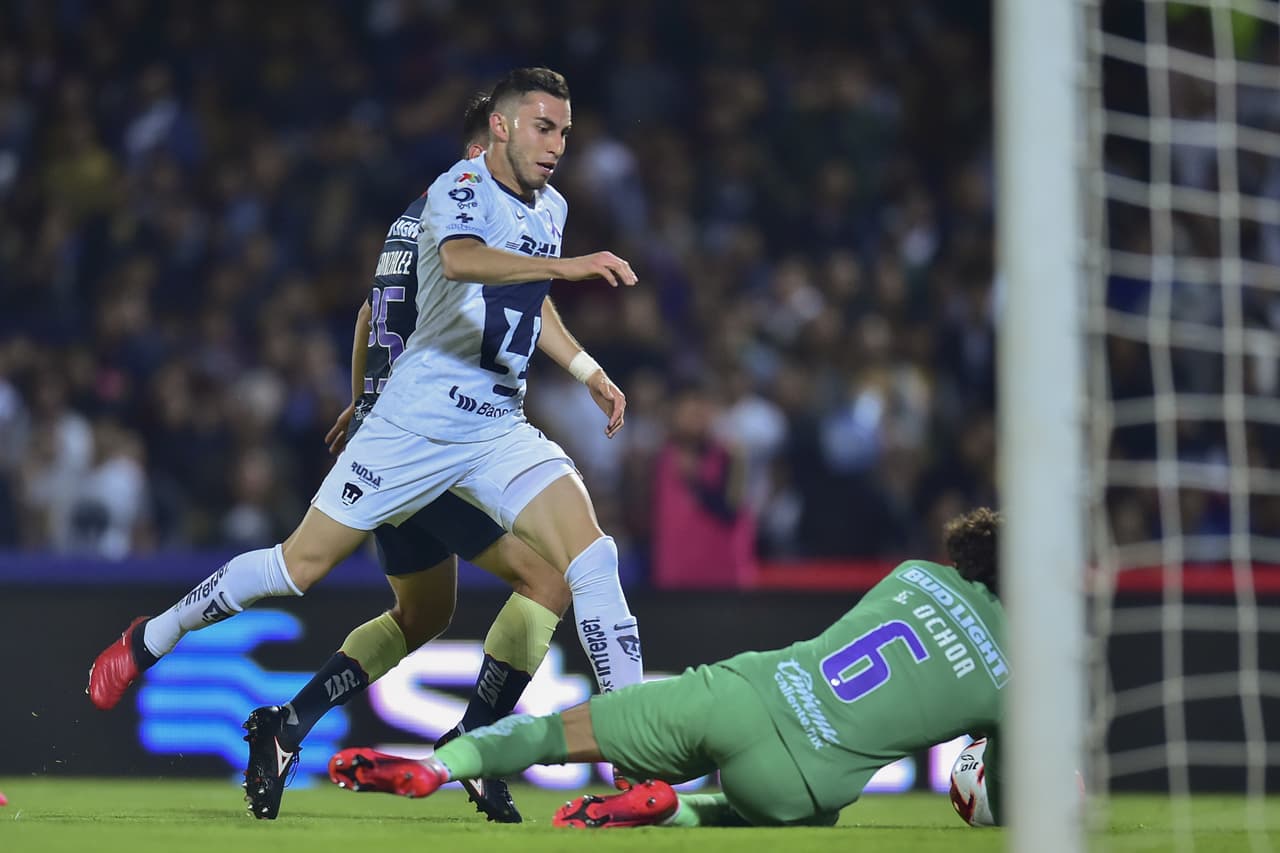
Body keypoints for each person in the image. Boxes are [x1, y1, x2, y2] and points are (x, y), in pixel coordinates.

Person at [87, 64, 645, 808]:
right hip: (413, 429)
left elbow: (524, 299)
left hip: (495, 428)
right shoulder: (457, 188)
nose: (557, 145)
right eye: (544, 127)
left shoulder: (551, 207)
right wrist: (567, 265)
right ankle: (149, 638)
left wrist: (587, 369)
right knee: (298, 568)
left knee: (586, 557)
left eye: (566, 133)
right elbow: (463, 260)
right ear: (501, 128)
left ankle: (636, 745)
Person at [240, 91, 591, 824]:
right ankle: (475, 742)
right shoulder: (466, 214)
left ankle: (288, 725)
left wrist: (364, 399)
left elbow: (373, 313)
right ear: (481, 151)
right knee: (548, 579)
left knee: (423, 611)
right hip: (435, 445)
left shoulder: (407, 221)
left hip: (392, 435)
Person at [327, 508, 1007, 829]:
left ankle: (436, 767)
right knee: (810, 815)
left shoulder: (916, 572)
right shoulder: (1023, 679)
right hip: (800, 779)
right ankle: (671, 807)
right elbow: (1007, 793)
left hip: (740, 693)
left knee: (547, 733)